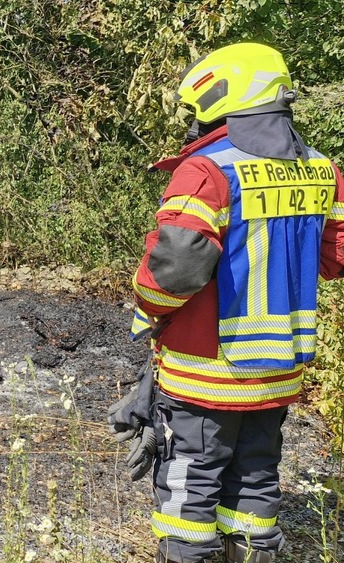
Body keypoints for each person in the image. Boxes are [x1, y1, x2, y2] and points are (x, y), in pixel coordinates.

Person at [118, 42, 344, 563]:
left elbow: (172, 270)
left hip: (206, 373)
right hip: (278, 373)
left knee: (188, 492)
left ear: (221, 94)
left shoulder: (207, 171)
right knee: (256, 485)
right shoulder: (321, 169)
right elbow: (335, 259)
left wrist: (148, 312)